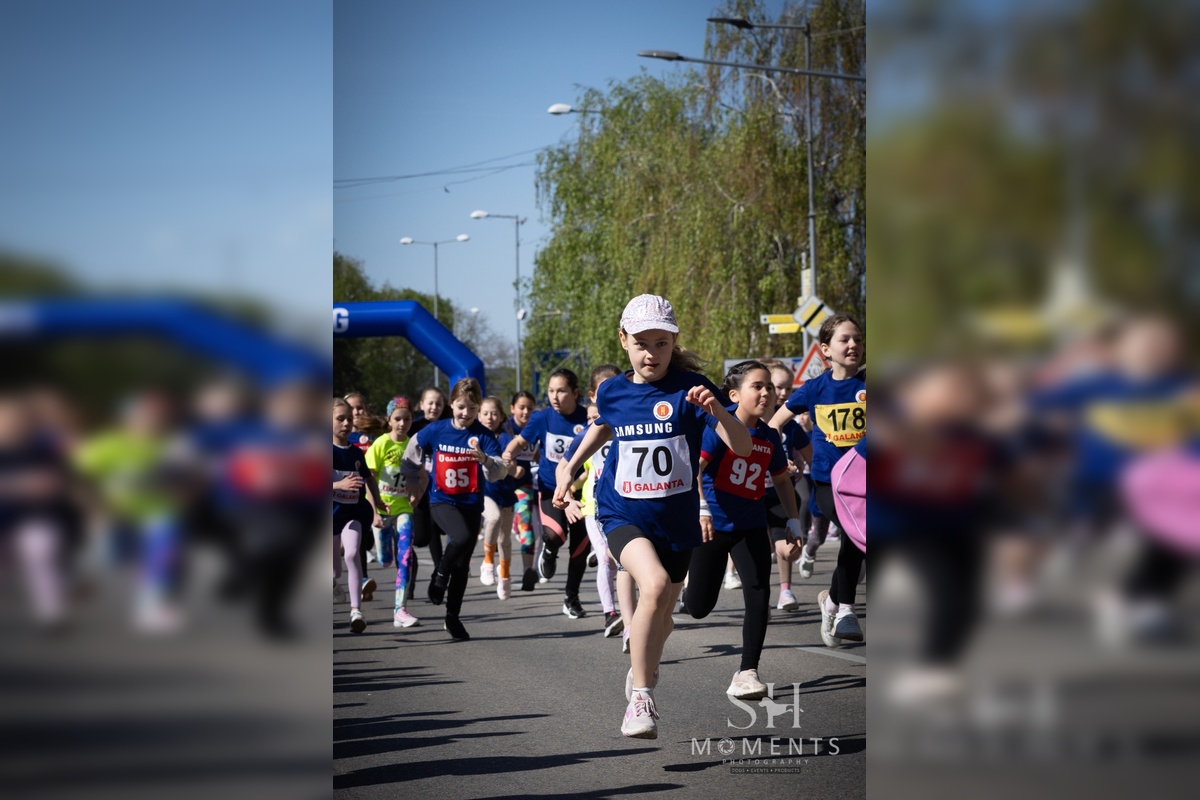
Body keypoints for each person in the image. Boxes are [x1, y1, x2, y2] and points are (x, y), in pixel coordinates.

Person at [553, 294, 752, 740]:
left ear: (674, 342)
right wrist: (569, 467)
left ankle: (645, 667)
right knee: (656, 585)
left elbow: (742, 445)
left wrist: (717, 411)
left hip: (675, 520)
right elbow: (603, 425)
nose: (651, 354)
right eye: (642, 343)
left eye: (661, 344)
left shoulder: (693, 388)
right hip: (621, 510)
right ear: (623, 340)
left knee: (664, 615)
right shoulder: (613, 389)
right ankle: (641, 696)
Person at [681, 360, 803, 698]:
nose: (767, 393)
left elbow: (780, 479)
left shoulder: (769, 436)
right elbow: (695, 468)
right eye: (757, 386)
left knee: (758, 594)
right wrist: (702, 509)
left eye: (770, 387)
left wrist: (792, 521)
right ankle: (685, 590)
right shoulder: (720, 425)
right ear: (734, 394)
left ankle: (747, 671)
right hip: (713, 525)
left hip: (750, 523)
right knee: (698, 608)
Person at [769, 313, 866, 648]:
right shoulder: (814, 389)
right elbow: (774, 425)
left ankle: (832, 603)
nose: (853, 344)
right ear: (825, 349)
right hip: (828, 484)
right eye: (844, 339)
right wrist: (780, 463)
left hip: (868, 484)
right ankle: (846, 611)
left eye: (857, 339)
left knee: (861, 542)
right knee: (854, 538)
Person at [402, 378, 509, 640]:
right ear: (451, 404)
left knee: (461, 566)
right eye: (461, 407)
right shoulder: (437, 430)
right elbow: (411, 453)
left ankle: (452, 618)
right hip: (442, 501)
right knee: (459, 538)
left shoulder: (483, 436)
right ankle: (439, 574)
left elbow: (500, 471)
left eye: (473, 409)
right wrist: (413, 481)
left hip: (471, 504)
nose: (466, 414)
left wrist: (484, 459)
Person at [502, 369, 592, 619]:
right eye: (551, 391)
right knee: (555, 533)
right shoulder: (542, 418)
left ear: (575, 393)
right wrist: (508, 453)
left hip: (583, 491)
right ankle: (549, 550)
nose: (554, 396)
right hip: (551, 489)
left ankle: (571, 598)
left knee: (580, 548)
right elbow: (521, 441)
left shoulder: (587, 418)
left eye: (561, 391)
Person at [561, 364, 623, 637]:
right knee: (609, 560)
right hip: (593, 509)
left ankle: (636, 615)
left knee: (622, 561)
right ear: (593, 396)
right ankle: (609, 613)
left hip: (624, 505)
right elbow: (566, 469)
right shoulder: (588, 433)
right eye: (603, 390)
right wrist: (568, 497)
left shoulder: (629, 421)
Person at [366, 396, 423, 628]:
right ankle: (383, 551)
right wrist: (374, 512)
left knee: (405, 556)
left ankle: (400, 609)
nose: (402, 424)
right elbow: (368, 478)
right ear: (389, 420)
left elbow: (423, 477)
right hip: (381, 508)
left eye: (407, 419)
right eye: (397, 419)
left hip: (402, 509)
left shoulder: (413, 446)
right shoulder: (380, 444)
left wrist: (417, 495)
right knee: (386, 560)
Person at [332, 397, 384, 634]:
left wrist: (378, 501)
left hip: (353, 512)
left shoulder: (355, 451)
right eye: (339, 419)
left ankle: (356, 611)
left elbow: (368, 478)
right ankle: (332, 582)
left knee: (352, 553)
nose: (346, 424)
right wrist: (337, 485)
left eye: (349, 419)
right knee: (334, 571)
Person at [478, 396, 522, 600]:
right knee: (493, 517)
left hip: (506, 493)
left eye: (494, 413)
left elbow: (513, 468)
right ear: (478, 415)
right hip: (485, 492)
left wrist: (512, 467)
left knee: (505, 540)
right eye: (485, 413)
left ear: (502, 416)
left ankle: (504, 575)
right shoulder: (476, 438)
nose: (489, 417)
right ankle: (487, 562)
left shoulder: (505, 439)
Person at [409, 386, 449, 595]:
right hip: (416, 488)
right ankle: (409, 578)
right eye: (430, 403)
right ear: (421, 405)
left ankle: (437, 575)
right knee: (419, 537)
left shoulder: (447, 426)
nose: (434, 407)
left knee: (434, 532)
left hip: (439, 488)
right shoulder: (412, 426)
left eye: (439, 403)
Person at [343, 392, 379, 602]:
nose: (356, 413)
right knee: (355, 541)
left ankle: (360, 580)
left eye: (360, 408)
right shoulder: (340, 438)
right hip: (345, 495)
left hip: (372, 492)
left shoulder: (373, 435)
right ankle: (362, 579)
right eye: (351, 409)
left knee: (364, 541)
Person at [502, 391, 540, 591]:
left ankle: (528, 571)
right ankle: (493, 566)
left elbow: (539, 454)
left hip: (524, 486)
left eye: (529, 408)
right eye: (521, 407)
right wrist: (512, 467)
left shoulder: (535, 428)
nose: (525, 412)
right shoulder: (506, 428)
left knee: (527, 525)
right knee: (500, 532)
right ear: (512, 409)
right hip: (502, 485)